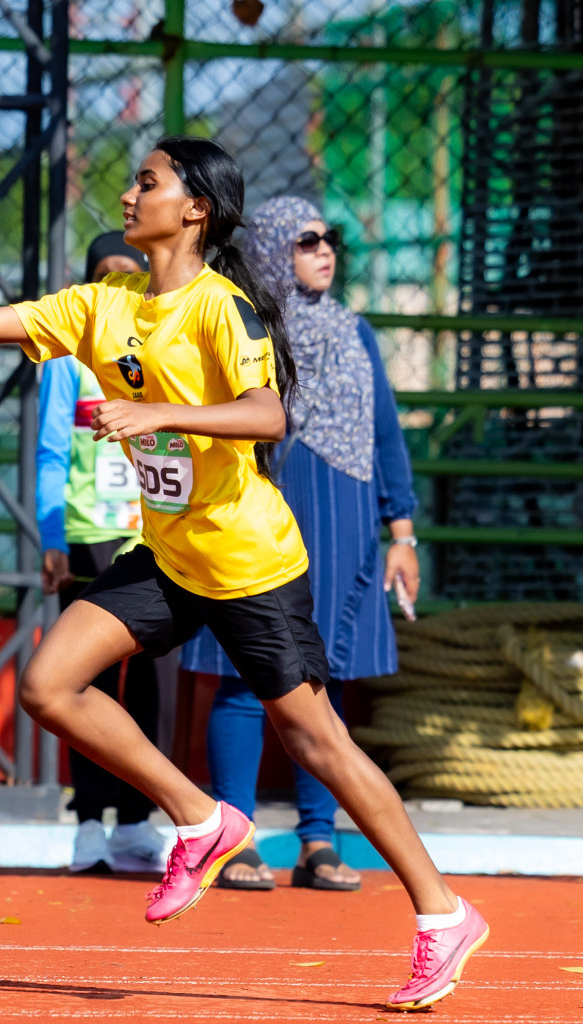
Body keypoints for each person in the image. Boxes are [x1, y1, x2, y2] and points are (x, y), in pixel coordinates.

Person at [0, 136, 487, 1013]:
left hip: (247, 560)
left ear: (195, 209)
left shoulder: (223, 308)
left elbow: (268, 415)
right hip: (168, 553)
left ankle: (442, 913)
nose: (128, 192)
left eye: (147, 181)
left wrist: (156, 409)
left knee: (317, 743)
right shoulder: (102, 302)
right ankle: (202, 816)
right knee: (48, 684)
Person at [194, 196, 420, 894]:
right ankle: (233, 835)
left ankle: (318, 840)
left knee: (326, 676)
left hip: (347, 512)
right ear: (268, 250)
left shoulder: (355, 331)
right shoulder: (244, 326)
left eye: (329, 239)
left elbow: (385, 434)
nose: (324, 251)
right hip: (262, 506)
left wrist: (402, 530)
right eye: (305, 241)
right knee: (244, 673)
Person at [39, 232, 171, 873]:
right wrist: (50, 538)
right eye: (103, 272)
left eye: (127, 269)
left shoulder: (158, 346)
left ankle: (137, 822)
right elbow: (49, 453)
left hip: (151, 533)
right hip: (90, 534)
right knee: (79, 679)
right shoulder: (68, 358)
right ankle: (89, 823)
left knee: (147, 683)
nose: (115, 282)